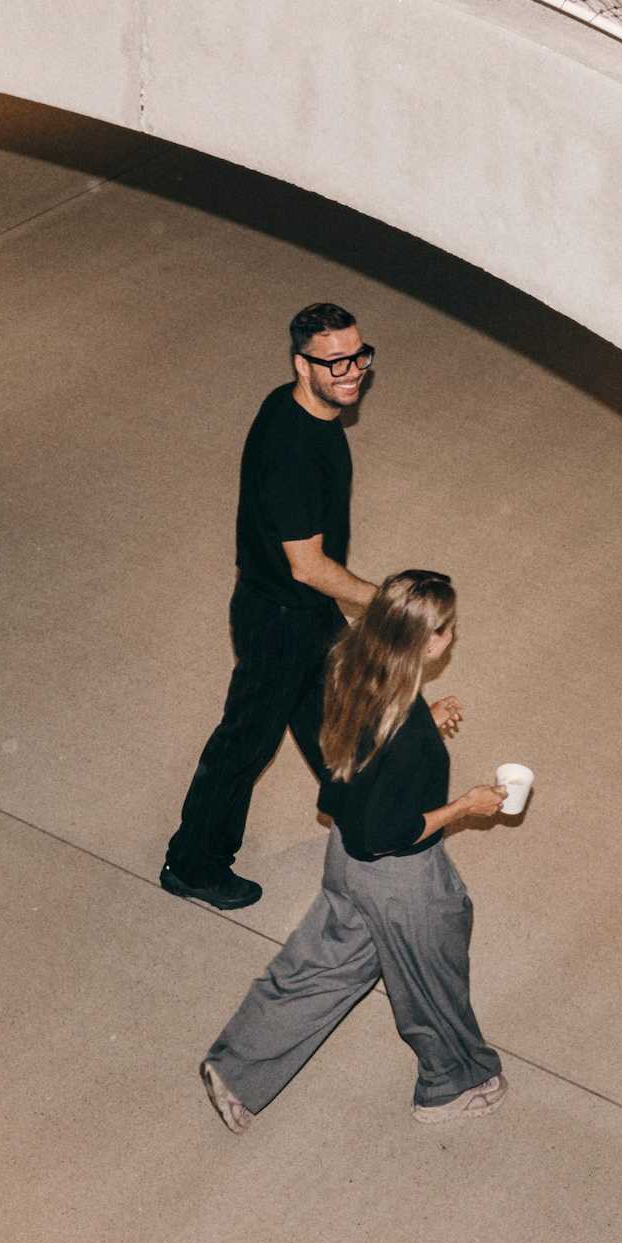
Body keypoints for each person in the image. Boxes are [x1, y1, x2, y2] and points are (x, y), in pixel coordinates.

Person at [196, 570, 510, 1130]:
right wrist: (466, 805)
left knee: (324, 965)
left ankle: (237, 1069)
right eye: (447, 630)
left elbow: (365, 768)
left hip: (346, 863)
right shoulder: (403, 730)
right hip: (399, 878)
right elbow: (387, 833)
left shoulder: (352, 670)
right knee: (432, 971)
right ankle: (452, 1084)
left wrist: (425, 723)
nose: (451, 637)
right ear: (424, 642)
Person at [158, 302, 380, 911]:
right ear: (300, 364)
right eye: (333, 362)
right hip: (278, 619)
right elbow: (307, 566)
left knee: (333, 711)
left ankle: (351, 809)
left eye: (358, 355)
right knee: (243, 746)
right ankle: (193, 863)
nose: (351, 370)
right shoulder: (293, 452)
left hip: (304, 614)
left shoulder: (300, 406)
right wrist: (385, 602)